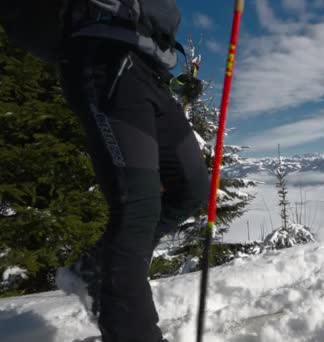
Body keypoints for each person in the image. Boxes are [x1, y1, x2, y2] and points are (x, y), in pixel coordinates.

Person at [55, 1, 210, 341]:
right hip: (105, 55)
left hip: (152, 71)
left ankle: (98, 266)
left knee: (192, 188)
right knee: (138, 206)